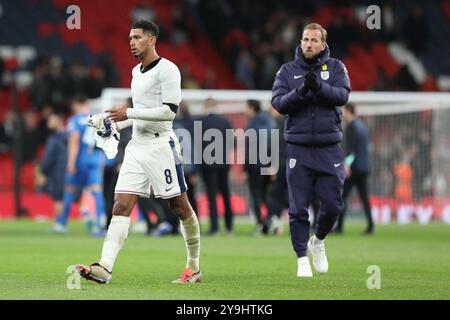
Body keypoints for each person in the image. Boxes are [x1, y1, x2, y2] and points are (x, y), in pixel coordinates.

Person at [76, 20, 201, 284]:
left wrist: (128, 112)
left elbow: (169, 111)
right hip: (137, 147)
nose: (131, 42)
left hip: (161, 146)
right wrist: (115, 123)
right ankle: (105, 267)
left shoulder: (168, 70)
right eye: (130, 37)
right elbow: (139, 115)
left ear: (152, 40)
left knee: (180, 207)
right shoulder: (135, 72)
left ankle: (194, 268)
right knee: (121, 205)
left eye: (137, 37)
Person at [271, 23, 351, 277]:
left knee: (333, 205)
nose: (308, 44)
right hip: (298, 149)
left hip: (329, 148)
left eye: (314, 40)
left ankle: (318, 240)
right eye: (305, 39)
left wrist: (319, 87)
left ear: (323, 44)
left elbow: (342, 96)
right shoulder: (287, 70)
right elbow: (279, 103)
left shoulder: (337, 67)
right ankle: (302, 259)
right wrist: (302, 91)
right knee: (298, 207)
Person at [51, 97, 106, 236]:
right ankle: (100, 225)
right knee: (97, 191)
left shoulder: (74, 120)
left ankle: (62, 223)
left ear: (77, 104)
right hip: (94, 160)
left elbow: (74, 141)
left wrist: (70, 163)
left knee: (70, 190)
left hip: (80, 161)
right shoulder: (97, 119)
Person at [336, 103, 373, 234]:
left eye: (343, 111)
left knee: (342, 196)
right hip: (364, 166)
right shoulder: (362, 125)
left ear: (349, 111)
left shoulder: (351, 126)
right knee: (364, 198)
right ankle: (371, 226)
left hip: (354, 168)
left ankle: (339, 227)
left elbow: (351, 149)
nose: (342, 114)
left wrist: (347, 165)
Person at [199, 98, 234, 235]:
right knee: (226, 194)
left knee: (212, 195)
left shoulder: (201, 122)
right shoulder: (225, 122)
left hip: (208, 165)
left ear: (206, 106)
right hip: (223, 163)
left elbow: (198, 145)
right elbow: (232, 143)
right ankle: (229, 226)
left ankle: (214, 227)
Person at [244, 99, 276, 235]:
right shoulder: (269, 121)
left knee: (256, 195)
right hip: (267, 164)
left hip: (255, 165)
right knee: (265, 194)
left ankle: (260, 225)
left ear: (252, 108)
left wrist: (246, 168)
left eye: (246, 107)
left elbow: (250, 148)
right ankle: (271, 220)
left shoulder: (253, 123)